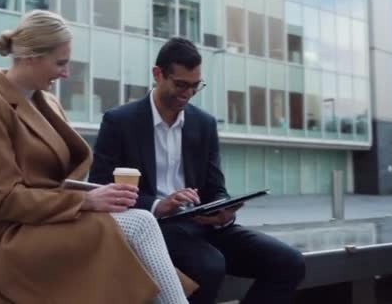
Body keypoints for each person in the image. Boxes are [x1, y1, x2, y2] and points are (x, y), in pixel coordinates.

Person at [0, 10, 196, 304]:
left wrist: (100, 193)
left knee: (137, 224)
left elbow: (55, 181)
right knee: (140, 224)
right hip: (11, 235)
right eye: (61, 62)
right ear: (31, 56)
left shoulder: (47, 102)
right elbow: (5, 201)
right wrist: (86, 201)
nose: (66, 73)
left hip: (51, 220)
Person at [89, 37, 306, 304]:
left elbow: (215, 187)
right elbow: (99, 185)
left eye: (195, 86)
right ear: (158, 74)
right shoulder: (119, 122)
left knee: (289, 262)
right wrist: (159, 205)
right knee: (209, 266)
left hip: (202, 225)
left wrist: (222, 212)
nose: (187, 94)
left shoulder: (204, 124)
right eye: (180, 85)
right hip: (155, 229)